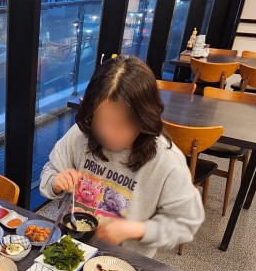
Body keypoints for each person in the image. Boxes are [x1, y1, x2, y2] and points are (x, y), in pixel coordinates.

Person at [39, 55, 204, 257]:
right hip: (71, 247)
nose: (109, 133)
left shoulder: (166, 160)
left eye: (123, 124)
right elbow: (50, 171)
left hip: (126, 261)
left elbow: (186, 223)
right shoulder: (81, 135)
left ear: (145, 118)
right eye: (102, 120)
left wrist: (138, 230)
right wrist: (56, 182)